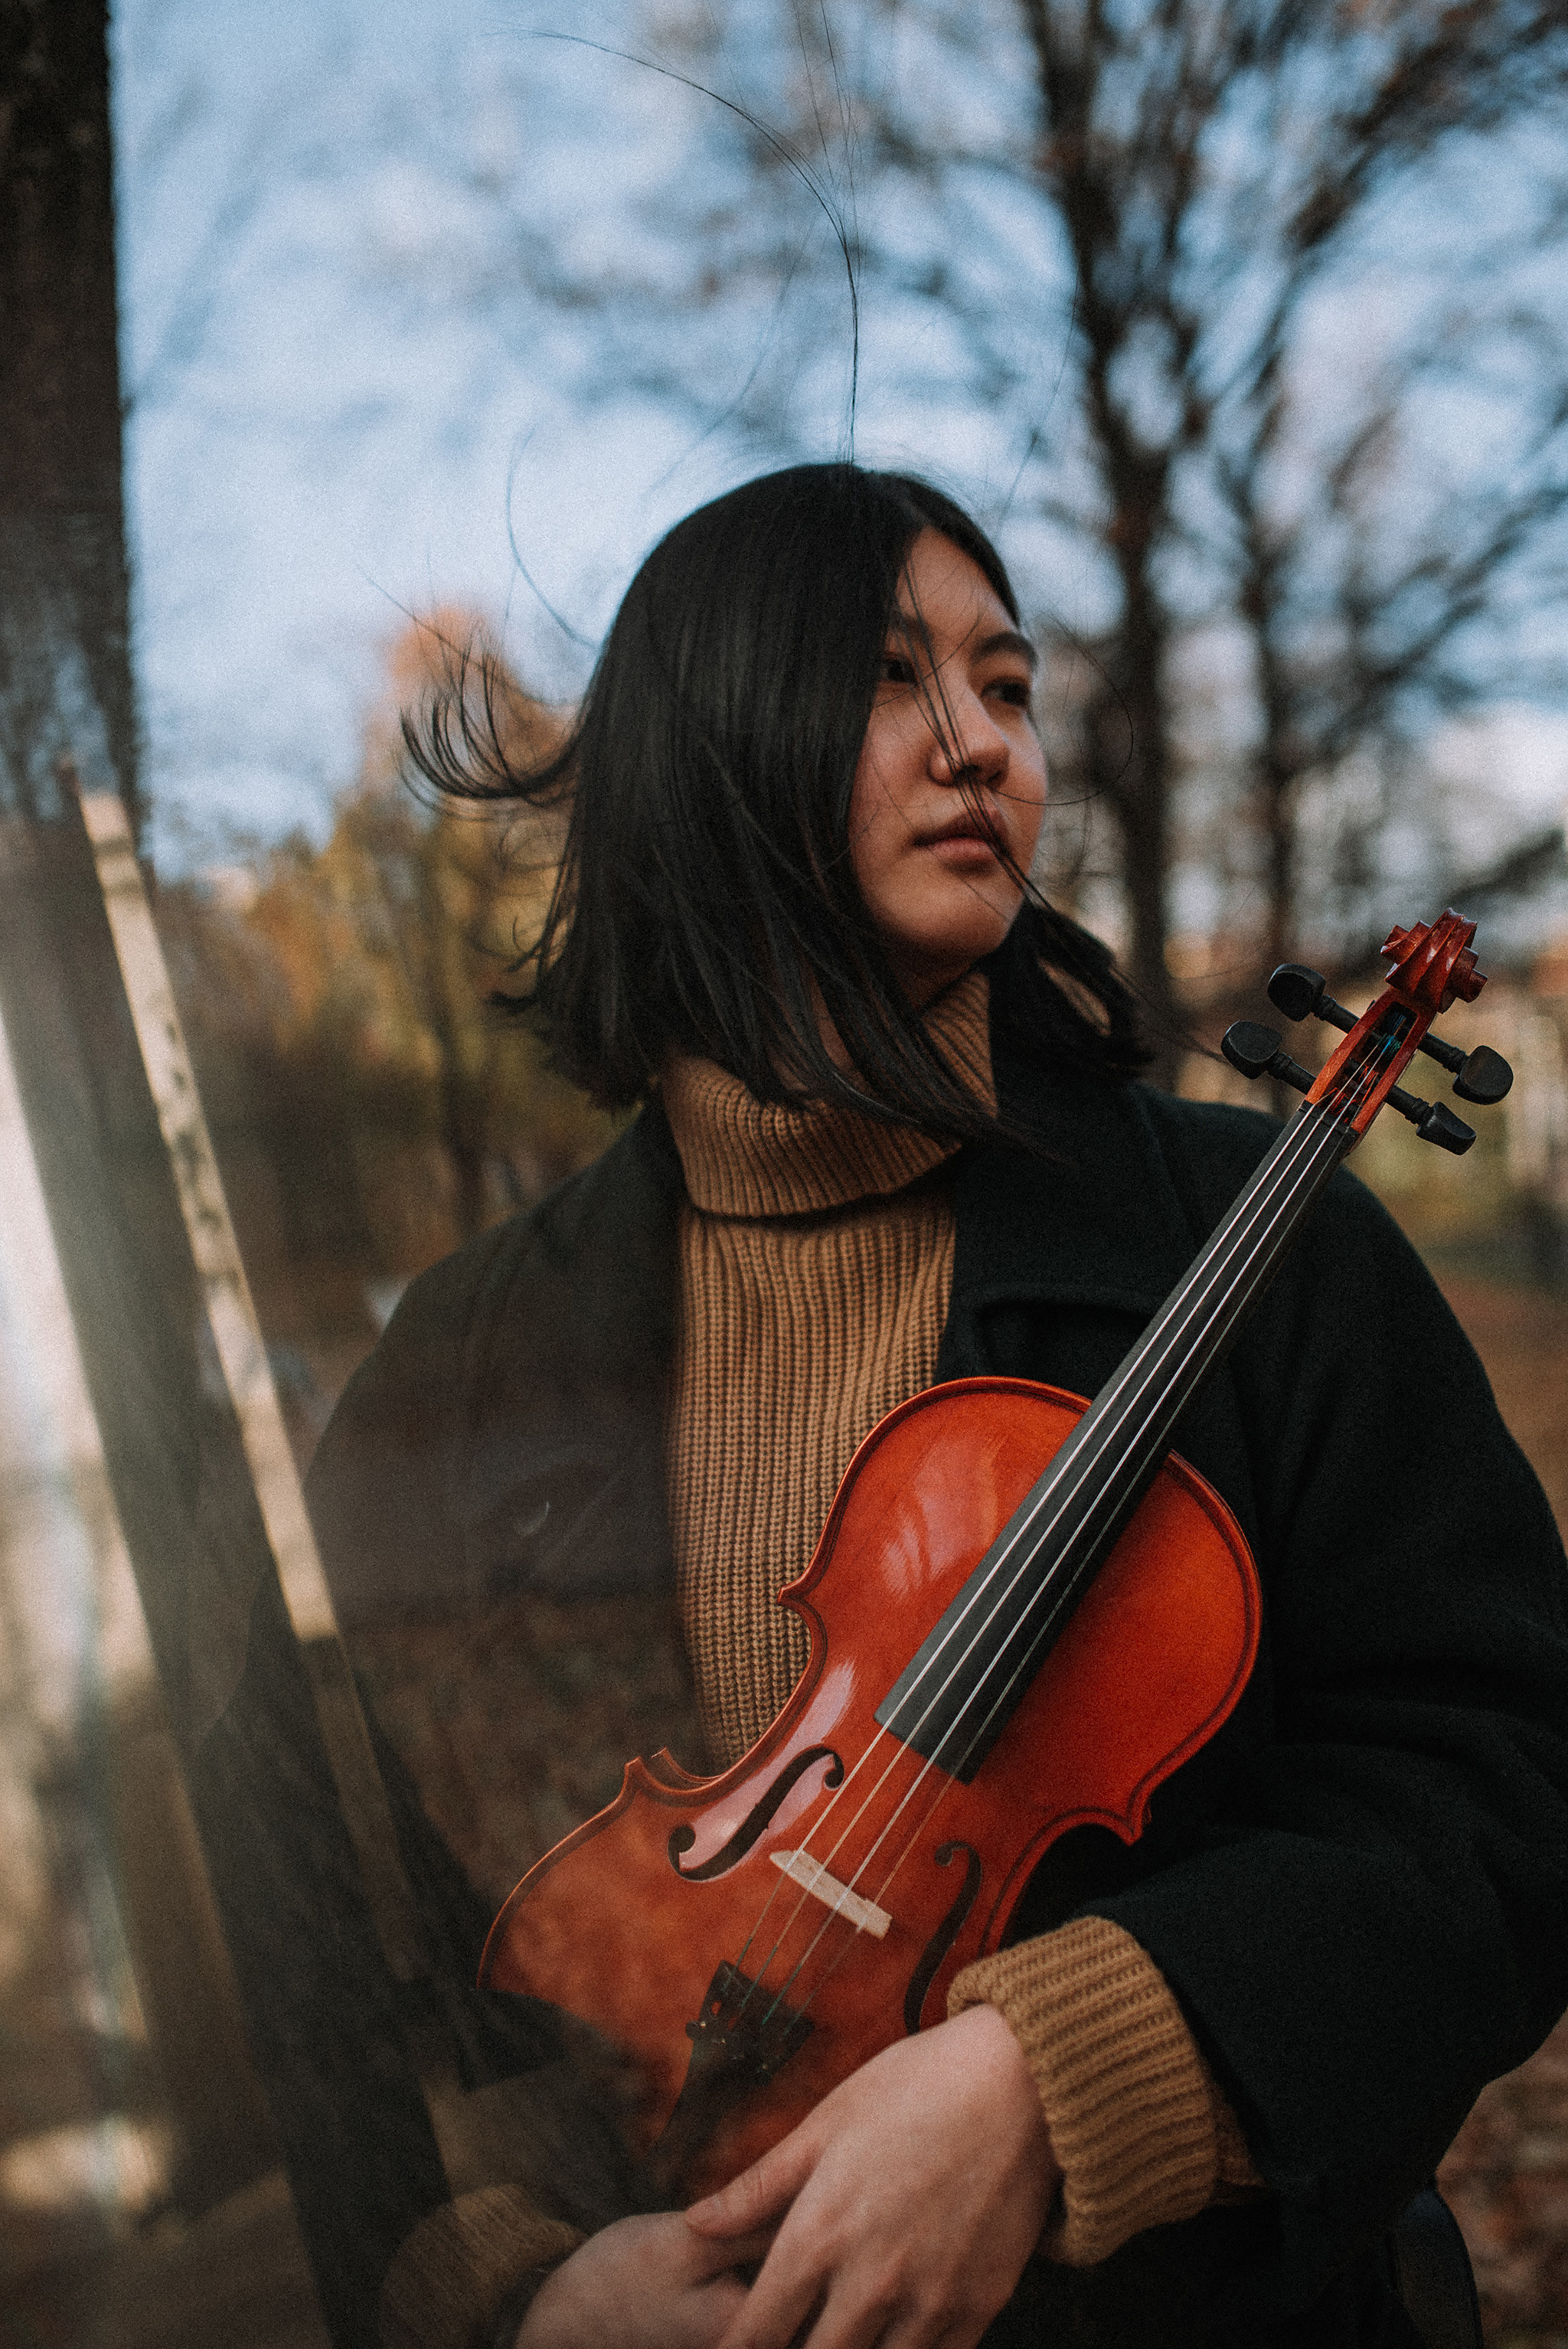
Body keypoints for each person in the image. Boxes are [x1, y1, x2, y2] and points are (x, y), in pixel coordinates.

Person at [305, 462, 1568, 2349]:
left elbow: (1503, 1792)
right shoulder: (457, 1367)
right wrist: (508, 2290)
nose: (982, 743)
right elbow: (354, 1940)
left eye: (1008, 683)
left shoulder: (1249, 1231)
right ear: (712, 742)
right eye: (896, 679)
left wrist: (1066, 2081)